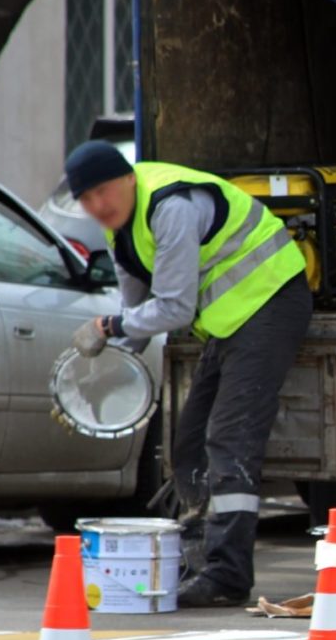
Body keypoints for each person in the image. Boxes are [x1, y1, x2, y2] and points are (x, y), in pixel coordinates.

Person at [65, 140, 312, 607]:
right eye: (86, 199)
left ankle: (228, 575)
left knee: (230, 439)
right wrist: (103, 366)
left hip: (271, 301)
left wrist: (109, 327)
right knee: (189, 441)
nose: (97, 205)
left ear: (127, 178)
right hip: (230, 321)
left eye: (103, 191)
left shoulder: (169, 206)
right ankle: (199, 559)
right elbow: (137, 313)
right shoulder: (122, 229)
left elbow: (173, 308)